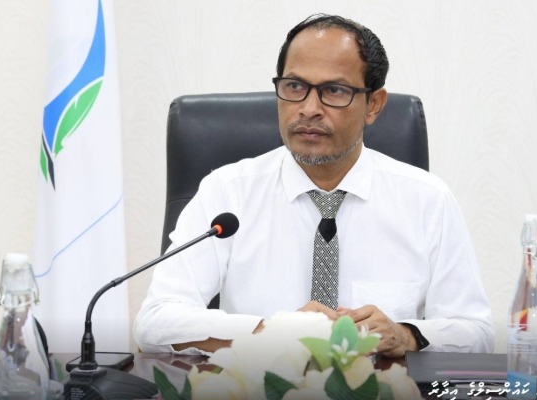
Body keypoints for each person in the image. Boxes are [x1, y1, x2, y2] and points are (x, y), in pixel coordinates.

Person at [135, 13, 493, 357]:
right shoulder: (228, 193)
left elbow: (476, 333)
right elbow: (155, 322)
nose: (308, 109)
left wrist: (406, 335)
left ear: (374, 105)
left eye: (334, 90)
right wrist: (272, 332)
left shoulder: (427, 200)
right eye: (294, 87)